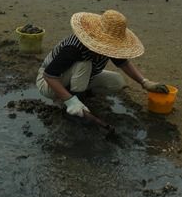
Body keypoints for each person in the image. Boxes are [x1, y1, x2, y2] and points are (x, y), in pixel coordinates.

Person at [36, 9, 168, 117]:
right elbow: (49, 75)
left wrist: (144, 82)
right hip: (49, 82)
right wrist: (70, 101)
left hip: (79, 78)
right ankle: (69, 101)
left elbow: (123, 63)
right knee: (84, 65)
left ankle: (78, 96)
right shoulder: (74, 48)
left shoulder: (111, 48)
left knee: (116, 81)